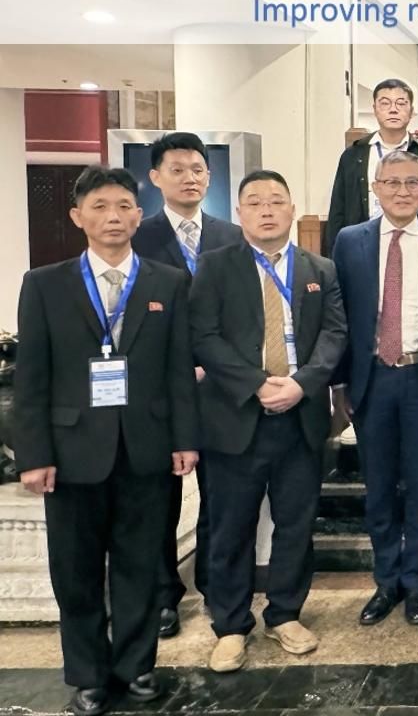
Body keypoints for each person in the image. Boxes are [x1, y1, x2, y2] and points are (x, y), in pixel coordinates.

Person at [14, 166, 197, 716]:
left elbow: (178, 369)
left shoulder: (168, 282)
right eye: (99, 206)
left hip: (147, 446)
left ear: (139, 215)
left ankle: (136, 667)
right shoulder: (45, 284)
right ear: (78, 216)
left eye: (123, 206)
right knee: (76, 571)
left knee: (141, 565)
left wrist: (184, 439)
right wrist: (34, 455)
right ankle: (88, 675)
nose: (112, 216)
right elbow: (32, 377)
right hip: (71, 452)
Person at [190, 170, 347, 673]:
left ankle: (285, 614)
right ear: (239, 213)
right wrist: (256, 383)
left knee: (295, 523)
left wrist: (302, 384)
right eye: (255, 202)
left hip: (299, 416)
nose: (266, 209)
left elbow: (335, 334)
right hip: (235, 417)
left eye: (276, 201)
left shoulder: (319, 268)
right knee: (230, 527)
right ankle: (230, 625)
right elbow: (204, 336)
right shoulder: (215, 266)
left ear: (291, 209)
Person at [331, 150, 418, 627]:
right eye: (392, 183)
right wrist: (340, 384)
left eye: (412, 183)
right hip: (371, 378)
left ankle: (415, 581)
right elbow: (339, 317)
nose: (402, 191)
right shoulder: (350, 241)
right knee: (379, 486)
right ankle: (386, 579)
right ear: (376, 188)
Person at [130, 131, 244, 639]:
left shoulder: (231, 235)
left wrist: (218, 367)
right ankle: (163, 595)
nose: (189, 178)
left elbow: (241, 315)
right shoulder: (139, 237)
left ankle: (217, 586)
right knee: (161, 497)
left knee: (219, 494)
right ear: (156, 177)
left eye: (197, 169)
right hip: (162, 391)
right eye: (177, 170)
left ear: (210, 176)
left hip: (220, 389)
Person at [324, 78, 418, 255]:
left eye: (401, 103)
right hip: (362, 247)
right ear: (375, 109)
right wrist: (332, 256)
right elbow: (338, 210)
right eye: (385, 103)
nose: (393, 109)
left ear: (411, 111)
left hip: (414, 245)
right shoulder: (354, 155)